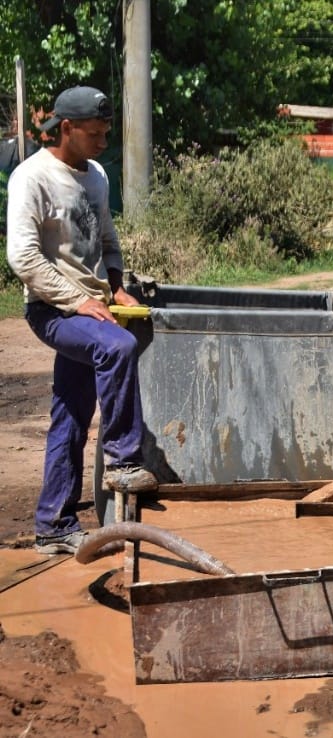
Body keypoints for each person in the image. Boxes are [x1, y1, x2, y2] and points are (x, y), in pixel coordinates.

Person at [6, 85, 156, 555]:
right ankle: (122, 460)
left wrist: (114, 285)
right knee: (118, 347)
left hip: (92, 306)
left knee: (70, 416)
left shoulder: (95, 177)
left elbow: (108, 239)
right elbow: (23, 258)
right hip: (52, 310)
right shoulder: (31, 177)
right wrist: (76, 300)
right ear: (66, 128)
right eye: (95, 133)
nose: (103, 141)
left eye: (107, 132)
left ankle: (53, 524)